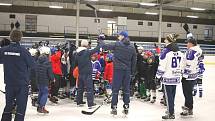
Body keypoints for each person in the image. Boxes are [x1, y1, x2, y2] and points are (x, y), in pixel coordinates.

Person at [0, 28, 35, 121]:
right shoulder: (24, 52)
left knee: (8, 106)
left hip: (9, 83)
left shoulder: (3, 50)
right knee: (21, 108)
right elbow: (33, 65)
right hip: (22, 84)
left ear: (10, 37)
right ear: (20, 38)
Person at [102, 31, 137, 116]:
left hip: (118, 70)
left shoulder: (117, 44)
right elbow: (134, 61)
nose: (118, 37)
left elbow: (105, 46)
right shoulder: (132, 47)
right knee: (126, 89)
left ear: (123, 36)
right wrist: (132, 73)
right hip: (127, 71)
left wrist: (101, 40)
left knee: (115, 89)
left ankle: (114, 107)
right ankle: (126, 106)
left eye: (119, 36)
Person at [156, 33, 184, 119]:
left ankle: (170, 113)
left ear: (168, 40)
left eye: (165, 39)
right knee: (172, 95)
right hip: (176, 77)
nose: (164, 40)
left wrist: (157, 76)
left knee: (168, 97)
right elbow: (182, 64)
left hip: (168, 77)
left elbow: (162, 66)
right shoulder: (179, 52)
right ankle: (170, 110)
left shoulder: (166, 52)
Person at [76, 39, 103, 109]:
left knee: (80, 88)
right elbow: (96, 50)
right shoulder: (87, 52)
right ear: (87, 45)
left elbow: (75, 63)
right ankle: (90, 104)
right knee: (89, 89)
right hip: (87, 73)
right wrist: (99, 43)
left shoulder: (77, 53)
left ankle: (79, 101)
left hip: (80, 72)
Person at [181, 36, 202, 116]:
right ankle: (189, 108)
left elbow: (189, 64)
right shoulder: (199, 50)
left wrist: (184, 75)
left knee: (187, 93)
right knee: (189, 92)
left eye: (188, 43)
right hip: (194, 75)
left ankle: (188, 109)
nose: (187, 44)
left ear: (191, 44)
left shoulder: (191, 51)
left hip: (188, 76)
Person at [36, 46, 55, 114]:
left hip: (38, 80)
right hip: (45, 80)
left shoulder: (38, 60)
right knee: (45, 93)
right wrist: (53, 79)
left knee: (41, 92)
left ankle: (39, 106)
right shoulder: (48, 62)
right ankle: (42, 107)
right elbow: (50, 73)